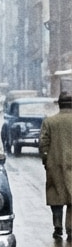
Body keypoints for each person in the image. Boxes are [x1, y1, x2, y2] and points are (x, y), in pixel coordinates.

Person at [41, 91, 72, 238]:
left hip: (54, 165)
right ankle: (71, 229)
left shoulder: (49, 122)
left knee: (55, 197)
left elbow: (43, 144)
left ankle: (58, 227)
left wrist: (46, 160)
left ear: (59, 105)